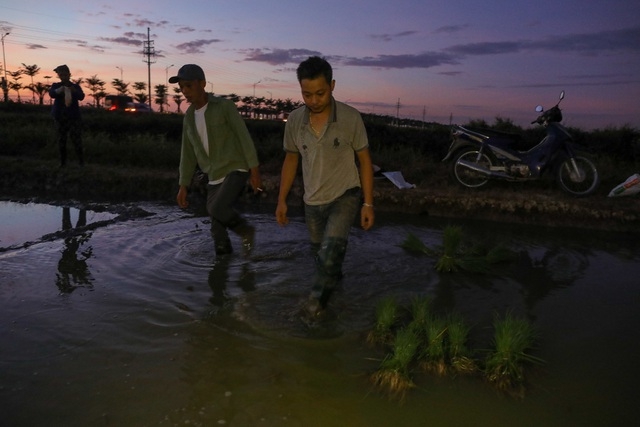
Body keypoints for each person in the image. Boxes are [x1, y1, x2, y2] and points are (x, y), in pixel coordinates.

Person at [275, 56, 375, 318]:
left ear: (332, 86)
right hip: (312, 202)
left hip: (345, 195)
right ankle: (336, 291)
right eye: (307, 94)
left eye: (320, 93)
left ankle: (314, 309)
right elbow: (291, 159)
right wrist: (281, 200)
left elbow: (364, 161)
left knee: (329, 254)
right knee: (323, 259)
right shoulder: (295, 121)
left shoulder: (350, 118)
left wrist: (367, 203)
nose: (314, 100)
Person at [170, 64, 262, 256]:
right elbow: (187, 153)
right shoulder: (188, 117)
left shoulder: (224, 107)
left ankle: (246, 231)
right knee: (217, 233)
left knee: (216, 207)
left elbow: (243, 136)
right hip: (213, 174)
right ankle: (224, 268)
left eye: (188, 86)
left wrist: (254, 171)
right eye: (181, 88)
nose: (185, 91)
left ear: (202, 84)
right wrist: (183, 185)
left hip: (235, 168)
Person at [49, 64, 85, 167]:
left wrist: (74, 91)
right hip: (60, 116)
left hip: (73, 117)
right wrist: (60, 90)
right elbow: (52, 94)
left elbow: (81, 96)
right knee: (62, 139)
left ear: (69, 75)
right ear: (59, 76)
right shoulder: (56, 86)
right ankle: (63, 163)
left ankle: (81, 162)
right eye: (61, 75)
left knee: (76, 139)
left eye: (65, 75)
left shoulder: (75, 87)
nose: (63, 77)